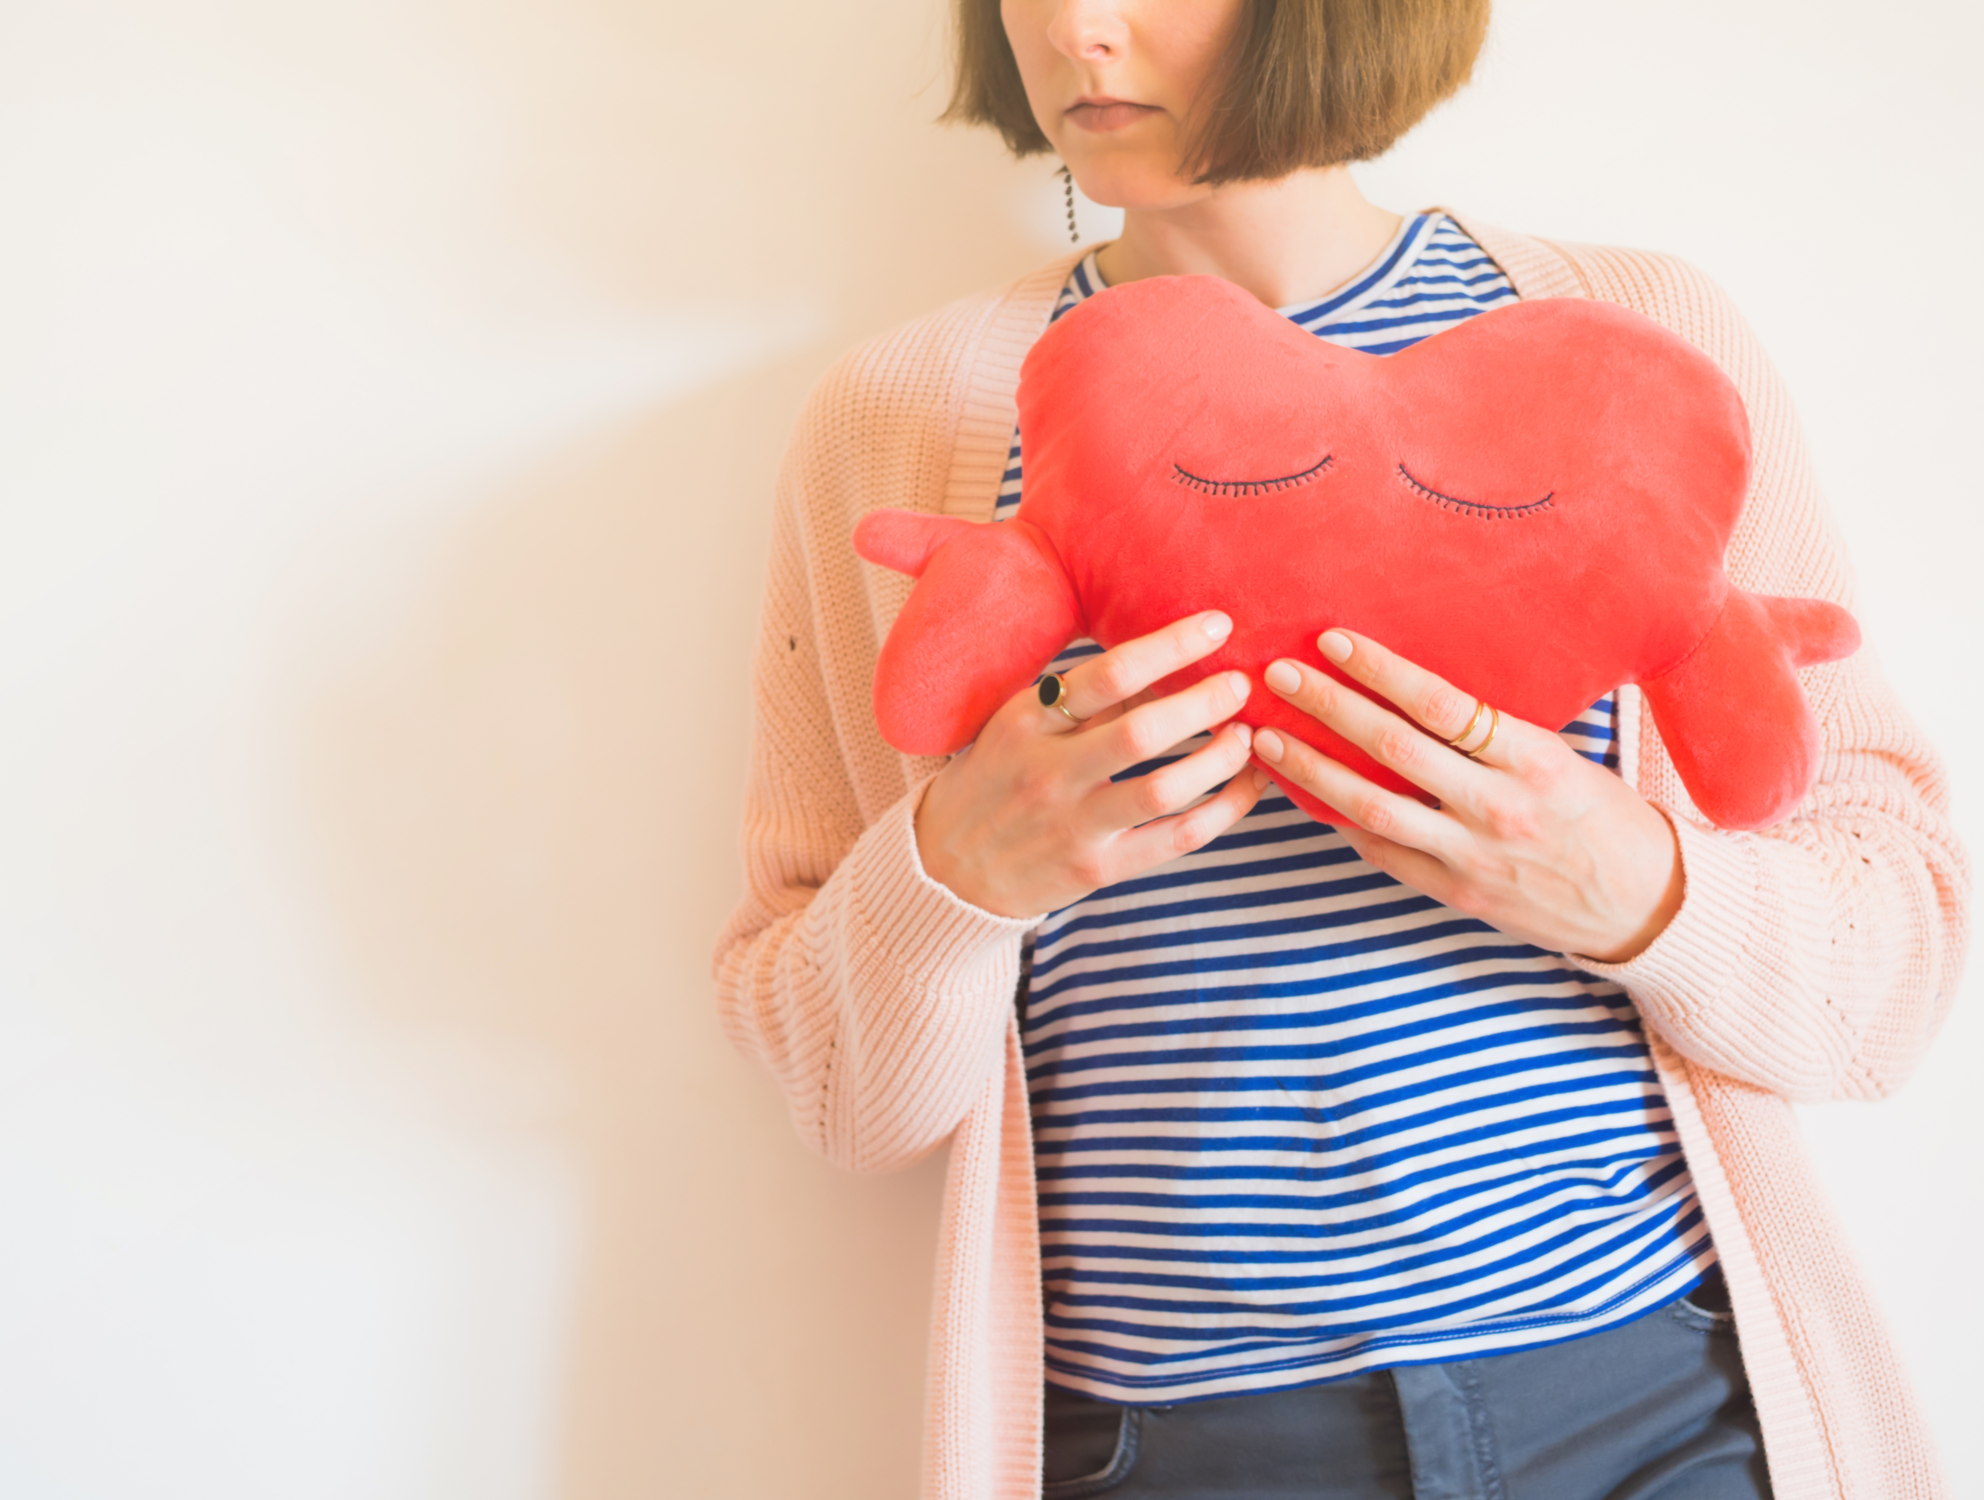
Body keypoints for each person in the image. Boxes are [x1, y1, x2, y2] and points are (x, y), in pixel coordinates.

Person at [712, 1, 1970, 1495]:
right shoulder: (904, 423)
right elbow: (846, 1093)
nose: (1074, 26)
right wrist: (955, 874)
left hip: (1655, 1400)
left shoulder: (1635, 348)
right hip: (1182, 1450)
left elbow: (1895, 952)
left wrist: (1641, 891)